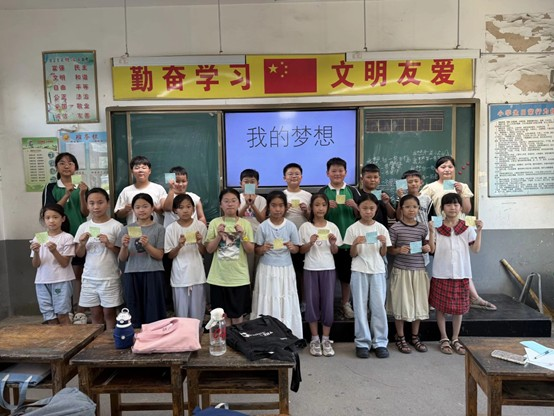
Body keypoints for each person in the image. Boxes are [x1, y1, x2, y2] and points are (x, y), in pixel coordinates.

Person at [421, 156, 496, 311]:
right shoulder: (430, 187)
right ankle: (439, 299)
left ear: (454, 168)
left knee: (461, 264)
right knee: (442, 265)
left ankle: (473, 297)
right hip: (440, 227)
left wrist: (461, 192)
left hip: (461, 227)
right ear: (437, 170)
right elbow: (421, 207)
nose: (447, 170)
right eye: (443, 167)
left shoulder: (462, 186)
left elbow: (467, 209)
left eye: (450, 166)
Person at [428, 193, 484, 355]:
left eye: (456, 204)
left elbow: (476, 249)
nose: (452, 208)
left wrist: (479, 231)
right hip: (441, 272)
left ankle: (455, 338)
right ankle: (444, 338)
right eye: (448, 205)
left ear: (460, 207)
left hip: (461, 272)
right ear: (442, 208)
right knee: (440, 308)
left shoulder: (467, 226)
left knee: (459, 309)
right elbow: (431, 249)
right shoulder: (436, 224)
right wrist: (431, 232)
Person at [42, 152, 89, 324]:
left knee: (79, 273)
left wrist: (82, 194)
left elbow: (85, 212)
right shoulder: (51, 187)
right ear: (57, 167)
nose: (66, 166)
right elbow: (49, 211)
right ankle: (65, 310)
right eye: (62, 163)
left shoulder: (82, 186)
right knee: (62, 274)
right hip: (58, 236)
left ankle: (80, 310)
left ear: (76, 167)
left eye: (70, 163)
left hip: (78, 234)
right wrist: (67, 195)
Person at [343, 193, 391, 359]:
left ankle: (380, 342)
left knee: (378, 307)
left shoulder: (381, 228)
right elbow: (352, 254)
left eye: (371, 208)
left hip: (377, 270)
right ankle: (362, 342)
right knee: (360, 307)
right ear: (359, 208)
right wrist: (355, 243)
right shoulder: (353, 228)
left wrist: (383, 243)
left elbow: (383, 253)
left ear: (376, 209)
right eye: (364, 208)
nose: (368, 211)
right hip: (359, 270)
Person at [251, 191, 303, 339]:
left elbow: (297, 249)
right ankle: (265, 336)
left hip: (285, 269)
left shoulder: (291, 226)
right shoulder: (263, 226)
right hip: (267, 269)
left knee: (285, 299)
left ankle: (287, 336)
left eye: (281, 206)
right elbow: (256, 250)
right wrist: (262, 249)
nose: (277, 209)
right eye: (274, 205)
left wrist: (293, 248)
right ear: (268, 207)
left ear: (286, 207)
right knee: (267, 299)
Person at [387, 194, 431, 354]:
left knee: (418, 304)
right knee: (401, 304)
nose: (411, 210)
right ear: (401, 208)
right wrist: (398, 250)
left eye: (414, 207)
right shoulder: (395, 228)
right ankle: (400, 337)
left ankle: (415, 336)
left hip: (418, 270)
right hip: (401, 271)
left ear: (418, 209)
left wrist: (426, 248)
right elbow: (389, 249)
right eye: (407, 207)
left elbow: (427, 246)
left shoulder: (422, 228)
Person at [299, 193, 342, 357]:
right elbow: (301, 250)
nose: (320, 208)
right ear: (311, 207)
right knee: (311, 303)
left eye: (323, 205)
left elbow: (335, 251)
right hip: (310, 268)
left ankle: (326, 339)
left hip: (328, 268)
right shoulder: (305, 227)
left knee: (327, 303)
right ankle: (314, 338)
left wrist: (332, 244)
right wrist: (310, 242)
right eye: (317, 205)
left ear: (327, 207)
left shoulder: (332, 226)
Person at [74, 188, 123, 330]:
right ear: (87, 205)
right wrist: (82, 244)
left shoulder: (116, 226)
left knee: (109, 313)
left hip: (109, 277)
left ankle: (110, 339)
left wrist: (109, 244)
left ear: (108, 203)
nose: (96, 207)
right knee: (95, 313)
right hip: (89, 277)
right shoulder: (84, 226)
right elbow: (79, 254)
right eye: (92, 203)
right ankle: (96, 340)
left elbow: (122, 254)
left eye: (100, 202)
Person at [318, 157, 361, 319]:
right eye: (333, 171)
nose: (337, 173)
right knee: (326, 276)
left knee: (346, 277)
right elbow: (315, 215)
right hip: (327, 241)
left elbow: (363, 214)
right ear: (327, 173)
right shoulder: (322, 192)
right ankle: (325, 305)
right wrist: (326, 208)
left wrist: (355, 206)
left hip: (347, 242)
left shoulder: (353, 191)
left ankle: (345, 304)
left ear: (346, 172)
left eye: (340, 171)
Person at [205, 188, 254, 326]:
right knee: (222, 318)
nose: (230, 204)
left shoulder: (245, 224)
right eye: (226, 201)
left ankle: (236, 339)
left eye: (233, 201)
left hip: (239, 278)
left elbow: (250, 250)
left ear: (239, 203)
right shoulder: (215, 223)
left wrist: (242, 235)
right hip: (218, 278)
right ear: (220, 204)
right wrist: (218, 236)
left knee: (238, 317)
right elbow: (209, 249)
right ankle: (225, 339)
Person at [116, 193, 166, 328]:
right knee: (133, 311)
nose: (141, 210)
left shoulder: (159, 229)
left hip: (153, 273)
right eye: (137, 207)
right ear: (133, 209)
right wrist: (124, 246)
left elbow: (159, 255)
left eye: (145, 206)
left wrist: (147, 245)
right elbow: (122, 258)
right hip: (131, 273)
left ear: (152, 208)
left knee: (153, 311)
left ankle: (154, 337)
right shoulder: (126, 229)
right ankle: (136, 337)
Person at [164, 193, 207, 324]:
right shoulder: (171, 228)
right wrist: (179, 246)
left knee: (197, 313)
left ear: (193, 209)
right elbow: (170, 255)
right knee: (181, 313)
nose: (185, 210)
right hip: (179, 276)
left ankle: (197, 334)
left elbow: (204, 252)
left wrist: (199, 243)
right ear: (175, 210)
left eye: (188, 206)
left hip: (197, 274)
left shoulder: (200, 226)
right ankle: (183, 335)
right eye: (181, 207)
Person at [30, 204, 75, 325]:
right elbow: (36, 264)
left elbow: (65, 263)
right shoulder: (38, 238)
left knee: (62, 315)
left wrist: (54, 251)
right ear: (44, 220)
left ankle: (69, 337)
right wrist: (36, 252)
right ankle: (56, 337)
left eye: (55, 217)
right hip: (42, 281)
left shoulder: (67, 237)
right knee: (49, 316)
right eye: (48, 217)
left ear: (63, 219)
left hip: (61, 280)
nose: (51, 221)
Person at [282, 162, 312, 312]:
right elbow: (274, 216)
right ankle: (288, 301)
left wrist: (306, 211)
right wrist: (284, 210)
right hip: (285, 238)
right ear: (284, 178)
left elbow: (312, 218)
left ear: (301, 177)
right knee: (287, 272)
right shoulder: (281, 195)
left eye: (297, 174)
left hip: (303, 238)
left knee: (302, 272)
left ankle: (303, 301)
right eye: (290, 174)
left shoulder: (308, 195)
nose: (293, 176)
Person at [114, 155, 167, 225]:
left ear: (149, 171)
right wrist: (126, 209)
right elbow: (119, 214)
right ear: (132, 171)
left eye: (144, 168)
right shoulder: (126, 191)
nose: (140, 170)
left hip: (154, 229)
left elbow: (166, 211)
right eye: (137, 168)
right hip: (134, 230)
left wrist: (152, 207)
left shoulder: (159, 189)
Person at [395, 169, 433, 266]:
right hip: (407, 234)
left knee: (422, 260)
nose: (413, 184)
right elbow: (398, 217)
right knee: (408, 257)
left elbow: (433, 217)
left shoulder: (427, 198)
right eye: (410, 182)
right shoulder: (401, 198)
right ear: (404, 184)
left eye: (416, 181)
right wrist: (401, 198)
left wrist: (434, 236)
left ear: (421, 182)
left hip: (423, 234)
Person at [238, 168, 267, 285]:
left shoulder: (261, 199)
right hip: (243, 236)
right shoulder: (237, 198)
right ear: (241, 184)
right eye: (246, 181)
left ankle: (256, 291)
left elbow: (262, 220)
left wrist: (253, 205)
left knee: (257, 266)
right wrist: (246, 204)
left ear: (257, 184)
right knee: (246, 267)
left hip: (257, 236)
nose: (249, 184)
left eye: (252, 182)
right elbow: (236, 217)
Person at [358, 163, 396, 227]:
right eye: (369, 177)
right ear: (362, 179)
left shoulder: (383, 195)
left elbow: (392, 216)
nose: (372, 180)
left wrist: (387, 203)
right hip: (361, 229)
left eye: (375, 177)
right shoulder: (357, 194)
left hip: (380, 230)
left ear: (379, 179)